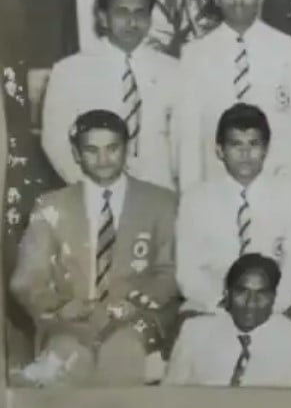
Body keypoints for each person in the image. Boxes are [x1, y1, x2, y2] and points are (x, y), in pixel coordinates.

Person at [10, 110, 179, 386]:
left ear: (127, 148)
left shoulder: (160, 202)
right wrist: (61, 306)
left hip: (135, 321)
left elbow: (169, 271)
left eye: (112, 148)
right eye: (91, 150)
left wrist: (136, 304)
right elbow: (27, 279)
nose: (103, 159)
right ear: (76, 155)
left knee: (121, 357)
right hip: (71, 322)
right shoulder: (51, 206)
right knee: (67, 360)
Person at [177, 0, 291, 189]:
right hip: (217, 182)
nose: (238, 0)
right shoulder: (195, 54)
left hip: (278, 180)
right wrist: (190, 193)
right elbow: (188, 134)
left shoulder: (290, 50)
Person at [41, 0, 180, 190]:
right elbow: (55, 140)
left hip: (161, 191)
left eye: (140, 13)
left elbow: (186, 142)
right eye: (122, 12)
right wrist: (90, 187)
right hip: (95, 191)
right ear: (103, 17)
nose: (132, 22)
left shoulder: (174, 71)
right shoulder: (70, 71)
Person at [176, 103, 291, 317]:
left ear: (266, 149)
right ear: (220, 150)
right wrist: (222, 302)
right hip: (214, 307)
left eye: (253, 144)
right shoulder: (196, 199)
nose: (245, 153)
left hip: (276, 306)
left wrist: (269, 303)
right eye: (235, 144)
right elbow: (188, 271)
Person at [164, 254, 291, 387]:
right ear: (227, 294)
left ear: (274, 297)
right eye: (242, 292)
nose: (251, 302)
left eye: (261, 294)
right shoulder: (194, 333)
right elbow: (171, 395)